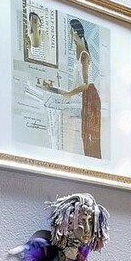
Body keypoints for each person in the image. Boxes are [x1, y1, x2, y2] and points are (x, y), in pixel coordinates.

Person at [38, 18, 102, 159]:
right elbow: (72, 88)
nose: (70, 35)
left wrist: (68, 94)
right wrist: (53, 89)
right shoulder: (78, 53)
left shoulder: (84, 55)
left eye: (71, 32)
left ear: (75, 32)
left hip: (90, 96)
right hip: (84, 95)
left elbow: (85, 85)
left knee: (89, 138)